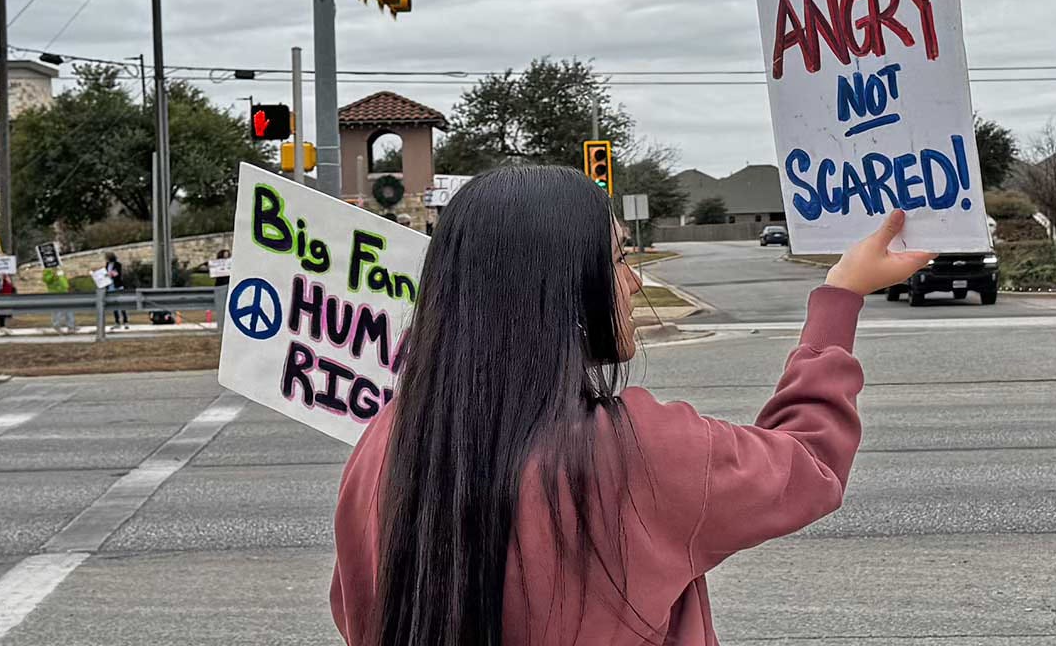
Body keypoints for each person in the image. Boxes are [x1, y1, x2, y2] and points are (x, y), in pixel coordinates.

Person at [330, 166, 932, 646]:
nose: (635, 281)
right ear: (566, 286)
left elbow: (353, 605)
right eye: (618, 259)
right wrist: (839, 297)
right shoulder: (642, 450)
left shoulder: (382, 447)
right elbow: (810, 465)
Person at [42, 267, 77, 334]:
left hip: (64, 293)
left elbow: (65, 284)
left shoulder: (60, 269)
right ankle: (56, 326)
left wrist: (60, 275)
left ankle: (71, 327)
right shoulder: (47, 270)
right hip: (54, 294)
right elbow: (46, 280)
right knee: (57, 311)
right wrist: (53, 274)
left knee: (69, 310)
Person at [104, 252, 129, 330]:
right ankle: (117, 322)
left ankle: (125, 321)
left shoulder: (118, 264)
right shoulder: (107, 264)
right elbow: (106, 273)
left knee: (121, 304)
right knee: (114, 305)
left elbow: (117, 274)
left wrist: (110, 274)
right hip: (110, 286)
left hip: (117, 286)